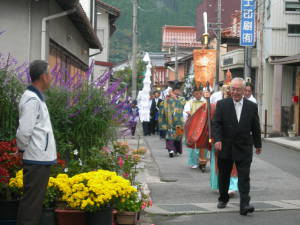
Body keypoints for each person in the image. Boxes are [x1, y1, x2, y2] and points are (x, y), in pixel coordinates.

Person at [212, 77, 262, 216]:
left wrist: (258, 144)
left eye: (238, 89)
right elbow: (216, 123)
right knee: (224, 175)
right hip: (225, 146)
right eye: (233, 89)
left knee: (244, 176)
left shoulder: (251, 106)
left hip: (244, 146)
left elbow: (256, 127)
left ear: (244, 90)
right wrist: (217, 139)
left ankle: (244, 204)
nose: (235, 92)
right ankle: (223, 198)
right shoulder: (222, 104)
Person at [16, 60, 57, 225]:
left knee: (33, 203)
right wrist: (21, 149)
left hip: (39, 158)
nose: (52, 77)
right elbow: (24, 131)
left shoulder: (36, 98)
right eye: (50, 74)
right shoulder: (32, 100)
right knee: (31, 204)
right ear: (43, 77)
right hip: (36, 159)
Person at [209, 85, 238, 194]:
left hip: (234, 140)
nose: (229, 95)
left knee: (234, 164)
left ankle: (232, 186)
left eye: (230, 93)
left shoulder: (240, 105)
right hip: (220, 139)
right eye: (227, 94)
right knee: (219, 163)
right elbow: (214, 123)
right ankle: (218, 184)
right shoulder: (217, 105)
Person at [159, 81, 186, 157]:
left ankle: (176, 150)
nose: (178, 92)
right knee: (169, 136)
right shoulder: (167, 99)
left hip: (179, 121)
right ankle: (171, 150)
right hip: (170, 121)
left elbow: (181, 105)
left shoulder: (182, 99)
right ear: (173, 91)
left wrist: (173, 97)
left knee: (178, 137)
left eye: (179, 90)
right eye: (176, 90)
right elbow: (162, 109)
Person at [183, 87, 207, 170]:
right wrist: (188, 115)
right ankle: (193, 162)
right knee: (193, 144)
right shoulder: (190, 102)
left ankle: (202, 161)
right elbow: (186, 113)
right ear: (193, 94)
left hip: (203, 125)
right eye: (196, 93)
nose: (198, 95)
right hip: (193, 125)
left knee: (203, 144)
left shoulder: (205, 102)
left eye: (200, 93)